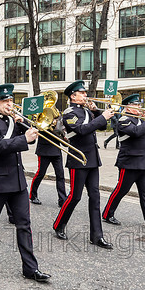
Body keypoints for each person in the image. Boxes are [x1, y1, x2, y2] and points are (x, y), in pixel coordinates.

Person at [0, 84, 50, 282]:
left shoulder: (13, 120)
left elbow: (25, 140)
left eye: (10, 100)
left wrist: (23, 126)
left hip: (17, 181)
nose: (9, 104)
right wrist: (24, 137)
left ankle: (30, 268)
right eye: (5, 101)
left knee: (24, 225)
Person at [52, 80, 115, 249]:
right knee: (75, 196)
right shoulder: (69, 113)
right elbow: (81, 130)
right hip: (78, 159)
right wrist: (101, 117)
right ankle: (59, 224)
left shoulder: (87, 110)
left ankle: (97, 235)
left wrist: (98, 111)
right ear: (73, 96)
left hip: (92, 158)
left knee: (95, 197)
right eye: (82, 93)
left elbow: (101, 127)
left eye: (85, 93)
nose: (86, 95)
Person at [101, 94, 145, 232]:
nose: (139, 107)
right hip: (129, 162)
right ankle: (107, 213)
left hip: (144, 162)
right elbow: (136, 132)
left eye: (139, 104)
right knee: (121, 190)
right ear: (128, 107)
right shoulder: (124, 119)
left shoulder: (140, 119)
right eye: (136, 105)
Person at [28, 106, 67, 208]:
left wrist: (57, 125)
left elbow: (61, 130)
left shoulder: (57, 115)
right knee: (40, 173)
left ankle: (62, 199)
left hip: (56, 149)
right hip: (44, 150)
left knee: (60, 175)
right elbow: (36, 129)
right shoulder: (39, 115)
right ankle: (33, 195)